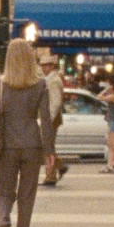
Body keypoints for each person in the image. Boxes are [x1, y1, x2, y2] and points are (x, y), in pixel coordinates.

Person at [0, 38, 54, 227]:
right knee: (27, 196)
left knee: (4, 192)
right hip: (32, 145)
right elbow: (46, 119)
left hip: (6, 146)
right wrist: (49, 150)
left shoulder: (0, 84)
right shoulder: (40, 84)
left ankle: (3, 220)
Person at [41, 52, 65, 185]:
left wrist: (48, 118)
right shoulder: (50, 79)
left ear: (51, 66)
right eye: (42, 66)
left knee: (47, 147)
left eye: (46, 66)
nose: (43, 68)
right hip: (50, 117)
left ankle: (51, 175)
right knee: (48, 146)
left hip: (51, 118)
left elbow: (56, 102)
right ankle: (58, 167)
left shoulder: (53, 80)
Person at [97, 74, 114, 173]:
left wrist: (106, 90)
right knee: (111, 145)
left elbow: (99, 97)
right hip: (113, 122)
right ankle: (109, 165)